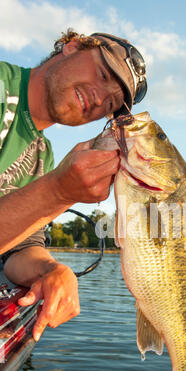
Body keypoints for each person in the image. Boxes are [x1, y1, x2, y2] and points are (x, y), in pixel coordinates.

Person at [0, 29, 147, 341]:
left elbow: (19, 249)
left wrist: (50, 269)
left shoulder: (43, 155)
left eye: (110, 103)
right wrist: (58, 192)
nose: (99, 98)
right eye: (103, 73)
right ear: (71, 46)